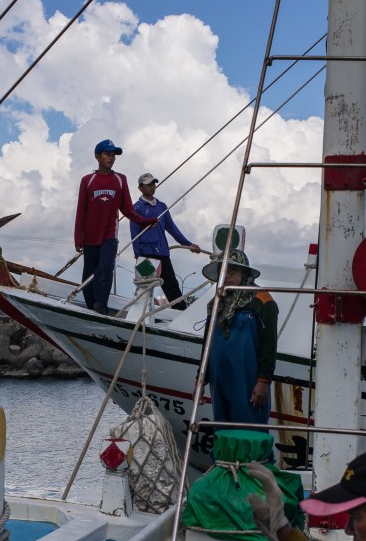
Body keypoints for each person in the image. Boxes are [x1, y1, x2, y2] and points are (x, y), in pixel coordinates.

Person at [74, 139, 159, 315]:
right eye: (107, 154)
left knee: (105, 268)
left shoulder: (120, 179)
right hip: (90, 236)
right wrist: (78, 238)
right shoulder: (87, 181)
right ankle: (90, 307)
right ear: (97, 156)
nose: (111, 158)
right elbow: (81, 211)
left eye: (113, 155)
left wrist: (146, 221)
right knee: (89, 272)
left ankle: (101, 305)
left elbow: (128, 209)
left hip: (109, 235)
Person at [201, 249, 278, 427]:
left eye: (232, 270)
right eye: (222, 270)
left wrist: (263, 382)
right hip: (219, 380)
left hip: (248, 382)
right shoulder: (217, 303)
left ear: (244, 273)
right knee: (222, 432)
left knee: (250, 433)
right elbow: (207, 344)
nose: (227, 275)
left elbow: (269, 346)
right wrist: (201, 379)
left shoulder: (263, 301)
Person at [128, 173, 201, 309]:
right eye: (148, 185)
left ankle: (180, 312)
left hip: (162, 253)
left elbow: (172, 228)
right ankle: (139, 314)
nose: (152, 187)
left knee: (172, 286)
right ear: (140, 188)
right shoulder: (137, 208)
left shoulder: (162, 206)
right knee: (145, 289)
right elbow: (135, 234)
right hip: (146, 255)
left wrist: (188, 244)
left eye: (153, 184)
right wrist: (138, 256)